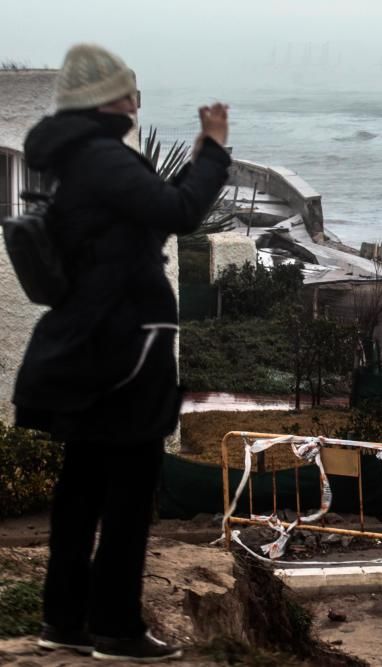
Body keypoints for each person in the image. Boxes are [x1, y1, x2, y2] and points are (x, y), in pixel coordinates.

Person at [12, 43, 231, 662]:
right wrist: (212, 148)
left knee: (81, 487)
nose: (137, 102)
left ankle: (66, 621)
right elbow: (182, 211)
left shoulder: (72, 160)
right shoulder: (104, 158)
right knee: (131, 490)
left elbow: (147, 219)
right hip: (127, 344)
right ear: (107, 99)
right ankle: (116, 627)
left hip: (90, 341)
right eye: (130, 91)